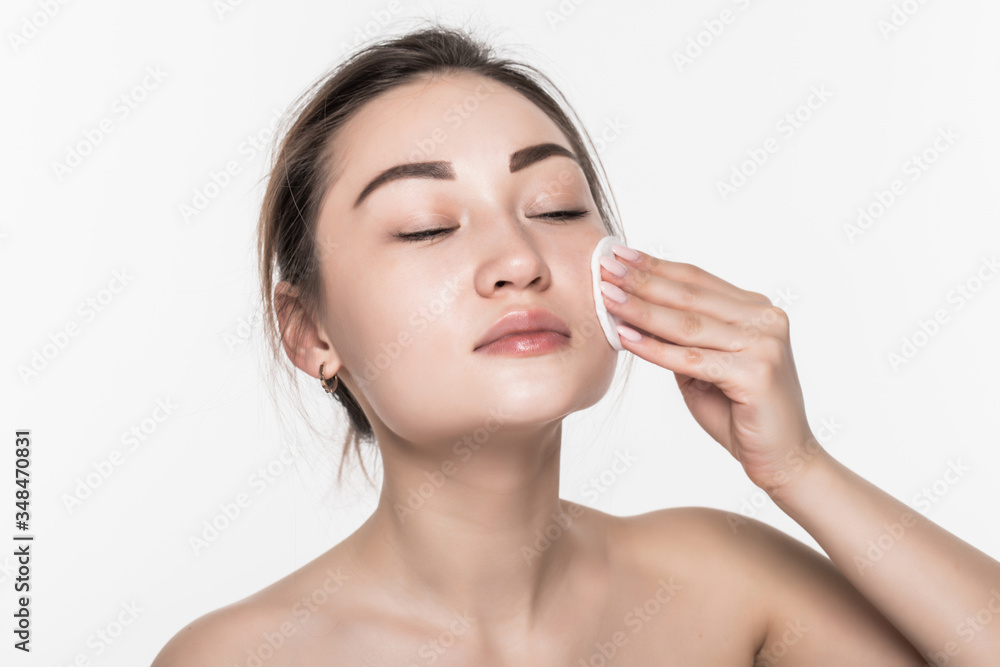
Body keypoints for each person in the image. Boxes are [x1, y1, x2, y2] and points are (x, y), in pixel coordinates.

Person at [153, 23, 1000, 666]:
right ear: (310, 332)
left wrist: (800, 467)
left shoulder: (724, 582)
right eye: (426, 226)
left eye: (555, 206)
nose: (519, 260)